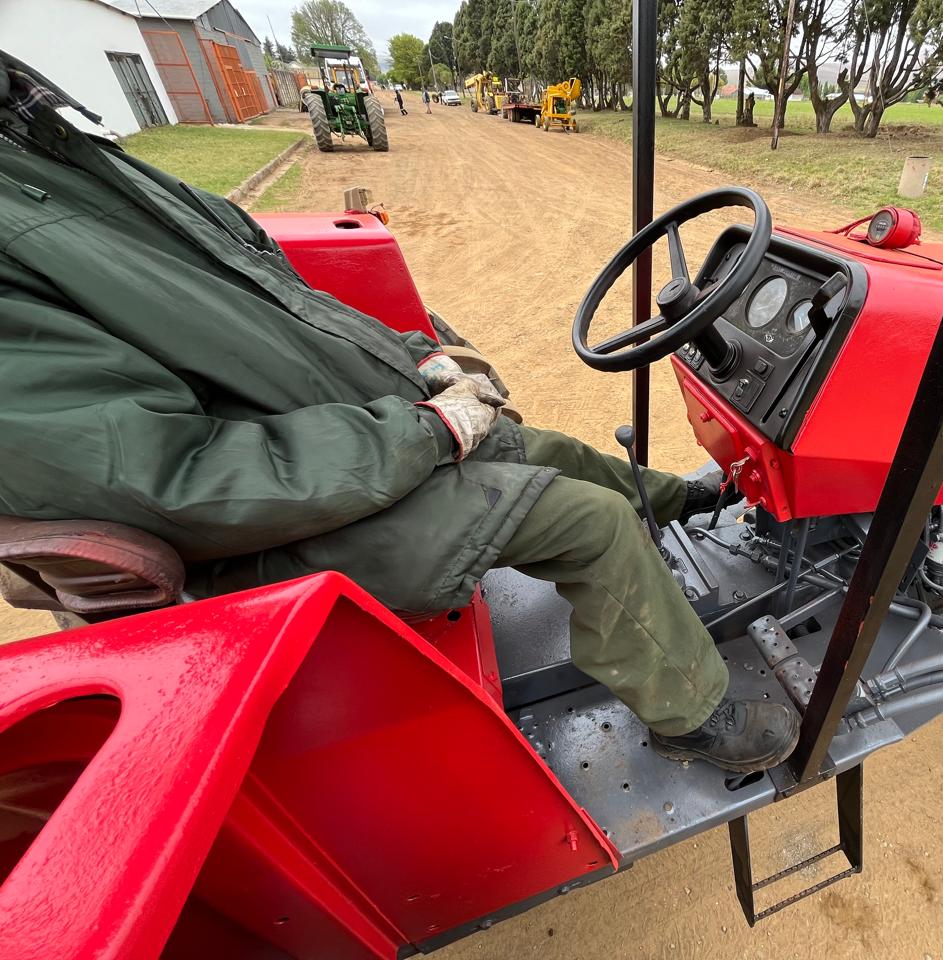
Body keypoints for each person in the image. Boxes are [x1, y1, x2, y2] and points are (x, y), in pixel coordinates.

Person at [0, 53, 799, 774]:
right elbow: (173, 476)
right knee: (590, 523)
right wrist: (425, 429)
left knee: (534, 443)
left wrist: (417, 357)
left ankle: (679, 498)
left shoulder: (41, 146)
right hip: (246, 540)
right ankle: (688, 715)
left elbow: (266, 291)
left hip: (311, 457)